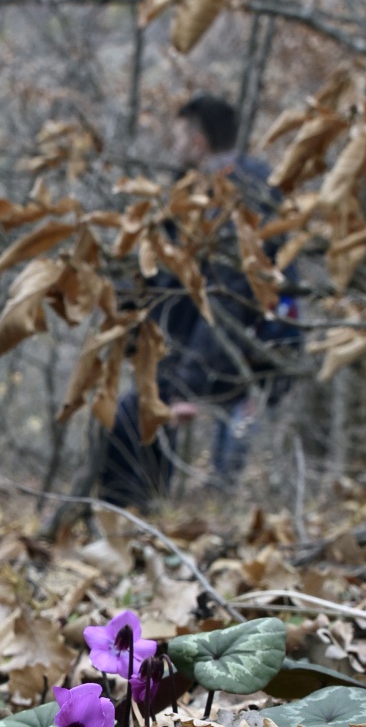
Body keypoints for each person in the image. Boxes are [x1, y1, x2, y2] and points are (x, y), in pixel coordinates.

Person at [97, 93, 300, 510]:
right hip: (202, 346)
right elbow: (162, 273)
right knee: (137, 415)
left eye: (178, 136)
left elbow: (229, 299)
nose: (174, 146)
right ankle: (135, 511)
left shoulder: (244, 194)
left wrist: (188, 384)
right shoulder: (189, 194)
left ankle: (160, 515)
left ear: (198, 141)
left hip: (252, 349)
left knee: (226, 474)